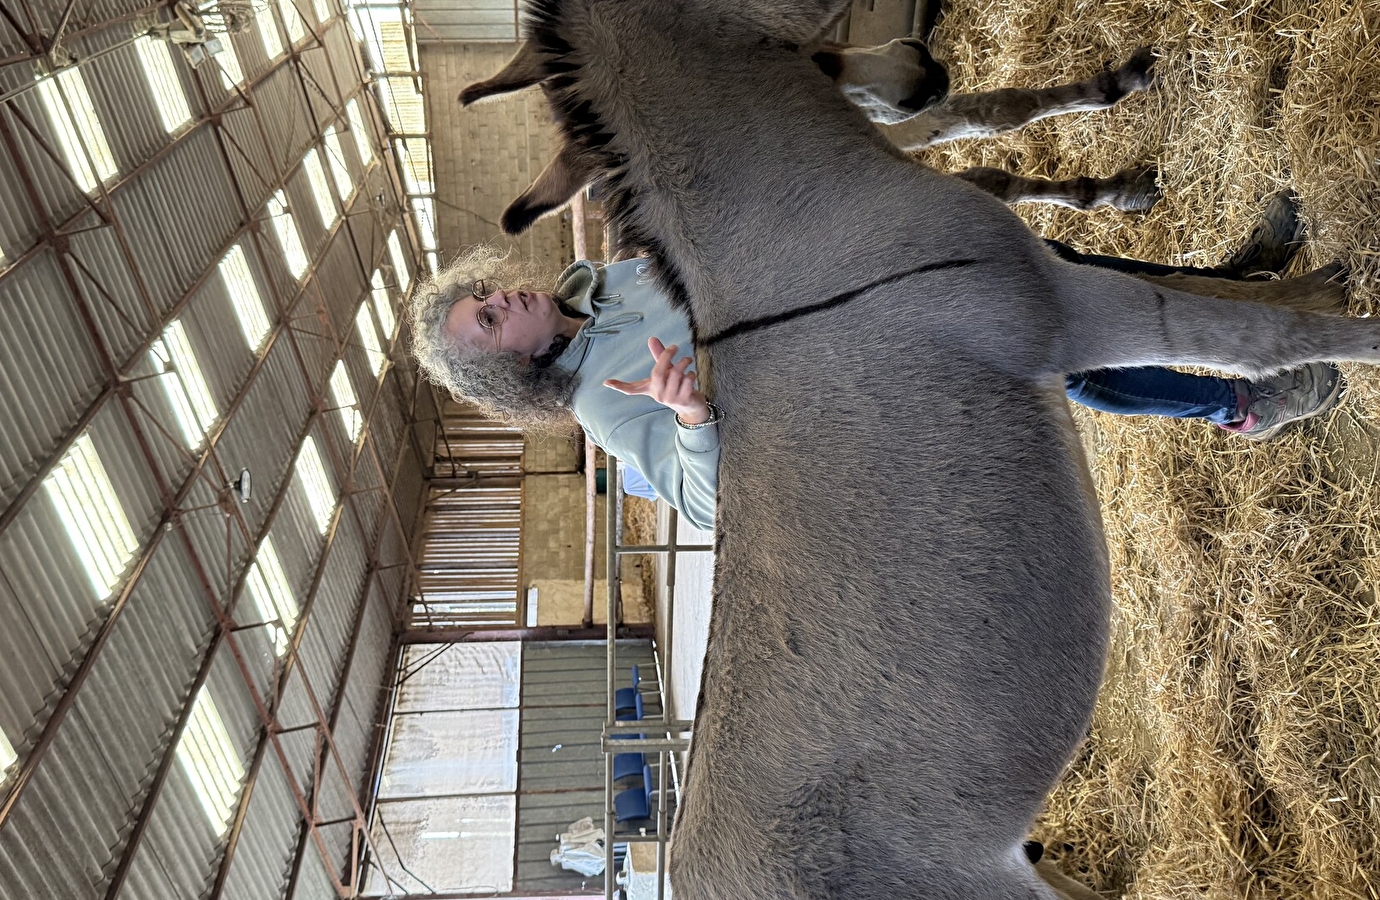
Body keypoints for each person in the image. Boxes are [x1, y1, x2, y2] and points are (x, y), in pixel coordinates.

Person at [409, 209, 1344, 531]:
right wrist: (691, 420)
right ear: (514, 366)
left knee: (1042, 265)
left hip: (849, 285)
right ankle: (1239, 397)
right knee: (1054, 358)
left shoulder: (598, 285)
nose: (506, 302)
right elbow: (704, 505)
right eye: (490, 323)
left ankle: (1249, 292)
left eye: (487, 295)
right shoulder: (608, 414)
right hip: (856, 381)